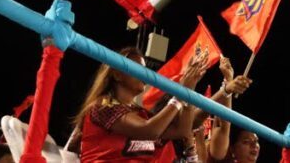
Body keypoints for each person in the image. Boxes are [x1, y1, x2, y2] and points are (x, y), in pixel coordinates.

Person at [73, 47, 208, 163]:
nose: (144, 74)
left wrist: (188, 90)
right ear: (117, 75)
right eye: (138, 68)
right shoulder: (102, 106)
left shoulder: (140, 113)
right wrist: (180, 94)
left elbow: (182, 130)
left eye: (145, 69)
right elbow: (149, 131)